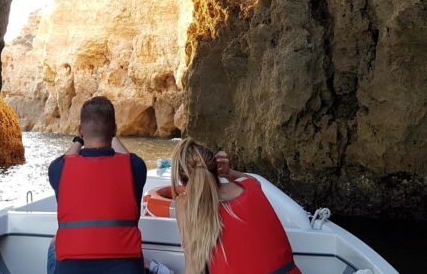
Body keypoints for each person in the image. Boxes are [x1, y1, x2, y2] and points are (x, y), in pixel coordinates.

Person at [47, 96, 148, 274]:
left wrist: (79, 140)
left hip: (72, 268)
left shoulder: (59, 169)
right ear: (114, 130)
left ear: (80, 130)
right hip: (126, 268)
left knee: (52, 246)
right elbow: (125, 156)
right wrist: (112, 134)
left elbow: (67, 157)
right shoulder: (134, 167)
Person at [171, 138, 300, 274]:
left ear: (183, 180)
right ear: (215, 171)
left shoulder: (185, 205)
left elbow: (193, 267)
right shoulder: (251, 187)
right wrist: (229, 173)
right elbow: (254, 181)